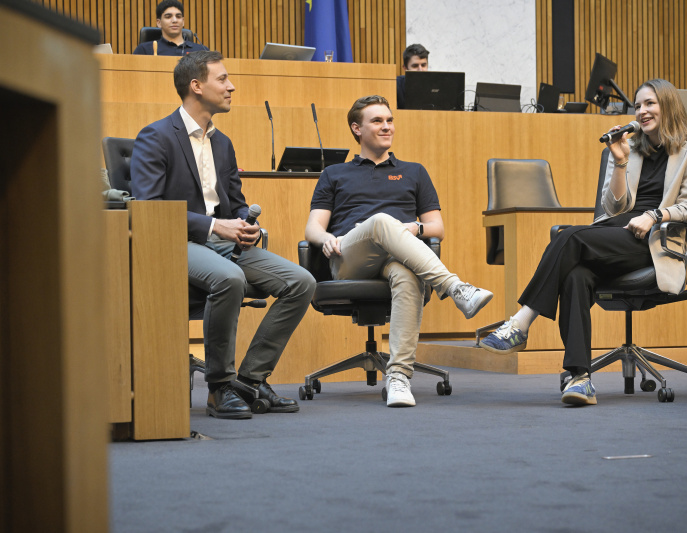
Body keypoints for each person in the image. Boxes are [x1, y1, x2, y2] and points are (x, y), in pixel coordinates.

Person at [479, 78, 687, 406]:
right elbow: (613, 208)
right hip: (620, 234)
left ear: (668, 106)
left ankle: (521, 322)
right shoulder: (632, 148)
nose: (641, 111)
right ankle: (580, 378)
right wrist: (619, 160)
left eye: (649, 104)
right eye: (638, 105)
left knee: (568, 236)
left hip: (654, 242)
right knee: (576, 275)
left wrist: (654, 216)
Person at [130, 51, 315, 419]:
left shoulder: (223, 142)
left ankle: (250, 379)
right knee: (229, 278)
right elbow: (148, 209)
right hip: (176, 242)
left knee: (302, 281)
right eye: (222, 79)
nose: (231, 86)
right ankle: (219, 386)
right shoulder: (156, 136)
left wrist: (246, 222)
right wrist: (215, 226)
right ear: (196, 86)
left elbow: (236, 202)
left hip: (227, 243)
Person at [305, 95, 493, 408]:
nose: (386, 126)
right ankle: (454, 287)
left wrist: (413, 228)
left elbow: (436, 228)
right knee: (380, 222)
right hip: (350, 257)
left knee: (408, 274)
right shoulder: (334, 174)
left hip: (398, 257)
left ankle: (398, 376)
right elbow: (312, 228)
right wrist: (324, 238)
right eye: (377, 121)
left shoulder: (414, 172)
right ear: (357, 129)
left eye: (389, 120)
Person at [132, 0, 209, 56]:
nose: (174, 20)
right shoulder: (145, 50)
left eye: (178, 16)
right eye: (168, 17)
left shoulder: (201, 51)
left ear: (183, 21)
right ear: (159, 23)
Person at [396, 43, 429, 109]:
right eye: (415, 66)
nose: (420, 70)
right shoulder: (396, 84)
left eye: (423, 65)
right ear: (405, 68)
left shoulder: (436, 84)